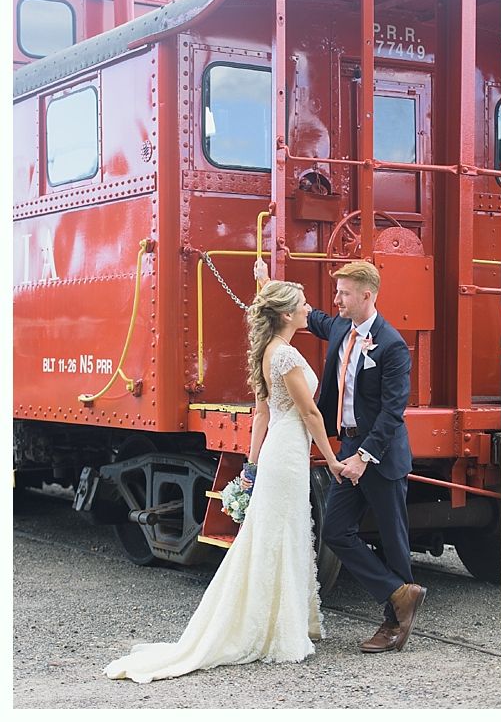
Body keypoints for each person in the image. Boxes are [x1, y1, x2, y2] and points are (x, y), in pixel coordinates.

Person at [105, 281, 344, 683]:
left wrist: (250, 468)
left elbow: (262, 418)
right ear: (286, 315)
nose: (309, 309)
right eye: (303, 304)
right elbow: (311, 415)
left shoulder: (271, 353)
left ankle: (284, 622)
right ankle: (281, 630)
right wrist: (333, 460)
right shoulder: (284, 356)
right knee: (281, 535)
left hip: (277, 453)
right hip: (287, 453)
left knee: (276, 536)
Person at [254, 259, 426, 654]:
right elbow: (297, 311)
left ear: (367, 296)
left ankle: (393, 625)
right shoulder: (337, 327)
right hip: (346, 448)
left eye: (344, 293)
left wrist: (364, 457)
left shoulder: (393, 345)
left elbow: (392, 411)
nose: (336, 300)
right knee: (335, 532)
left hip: (380, 456)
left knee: (394, 540)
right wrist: (265, 282)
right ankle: (400, 595)